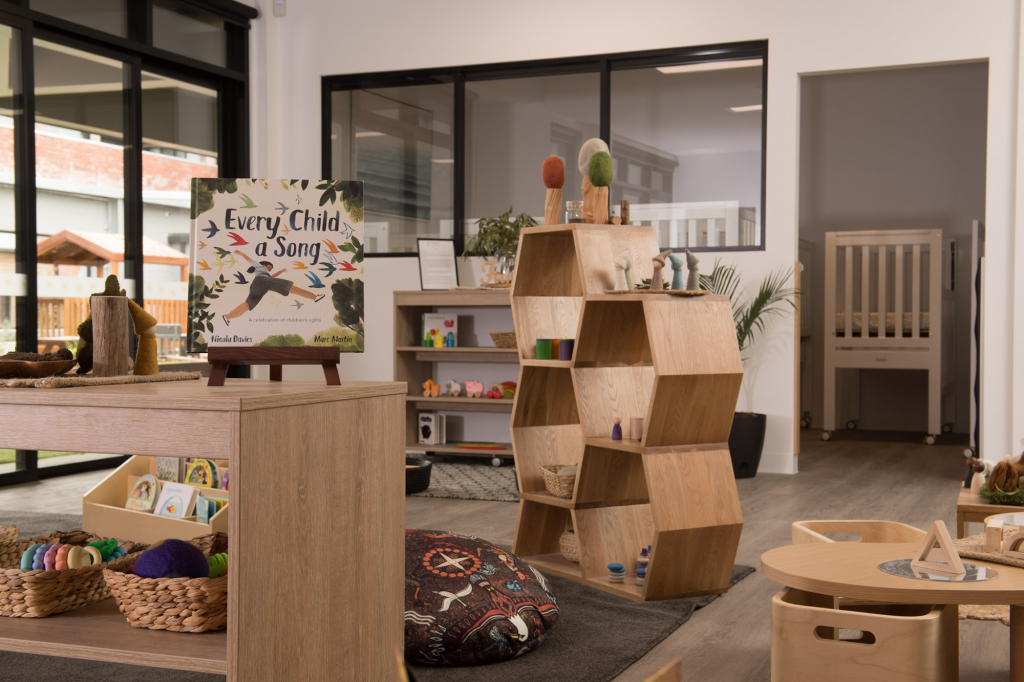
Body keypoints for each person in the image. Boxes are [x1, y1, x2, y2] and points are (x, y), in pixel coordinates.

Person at [223, 250, 324, 326]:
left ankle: (227, 316)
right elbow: (250, 260)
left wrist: (281, 271)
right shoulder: (259, 267)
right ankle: (315, 297)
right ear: (264, 265)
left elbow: (272, 277)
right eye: (269, 266)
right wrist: (241, 253)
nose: (270, 268)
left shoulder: (265, 274)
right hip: (262, 282)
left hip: (257, 285)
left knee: (248, 304)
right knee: (289, 286)